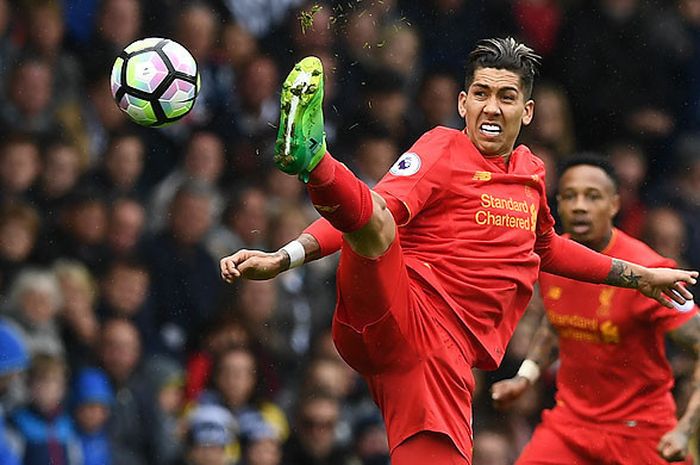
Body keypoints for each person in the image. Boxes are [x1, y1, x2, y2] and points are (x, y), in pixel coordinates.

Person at [220, 38, 698, 465]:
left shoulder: (530, 174)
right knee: (380, 222)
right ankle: (315, 160)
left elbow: (549, 248)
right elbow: (372, 211)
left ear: (527, 111)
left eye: (507, 97)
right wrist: (285, 256)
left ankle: (316, 161)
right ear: (462, 102)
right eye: (483, 95)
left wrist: (639, 276)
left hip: (440, 362)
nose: (492, 108)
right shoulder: (442, 148)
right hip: (402, 312)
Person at [491, 157, 700, 464]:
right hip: (570, 426)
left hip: (640, 432)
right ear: (557, 204)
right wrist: (525, 377)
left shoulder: (650, 274)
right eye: (569, 196)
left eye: (592, 196)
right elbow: (555, 322)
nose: (579, 206)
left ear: (614, 204)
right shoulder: (553, 260)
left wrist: (686, 427)